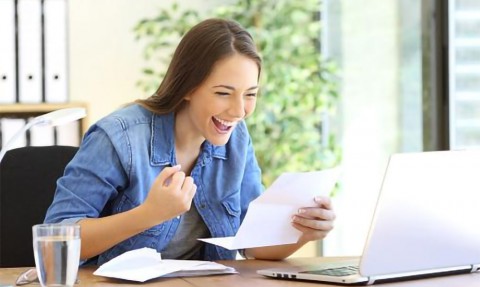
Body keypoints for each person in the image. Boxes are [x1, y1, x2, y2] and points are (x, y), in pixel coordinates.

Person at [44, 18, 336, 265]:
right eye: (223, 93)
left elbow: (252, 244)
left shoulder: (237, 140)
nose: (238, 111)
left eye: (250, 94)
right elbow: (53, 248)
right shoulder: (120, 137)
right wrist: (148, 214)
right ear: (187, 87)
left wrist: (303, 232)